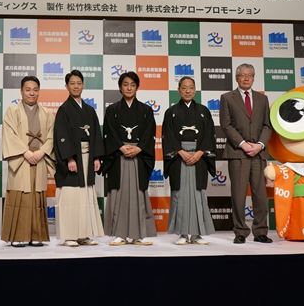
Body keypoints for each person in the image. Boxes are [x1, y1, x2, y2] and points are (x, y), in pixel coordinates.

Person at [219, 63, 272, 244]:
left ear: (254, 78)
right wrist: (242, 144)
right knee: (238, 195)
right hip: (238, 153)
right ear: (237, 78)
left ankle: (261, 231)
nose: (246, 78)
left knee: (260, 196)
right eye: (242, 75)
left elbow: (267, 125)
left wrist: (260, 145)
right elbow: (226, 125)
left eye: (250, 75)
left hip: (258, 153)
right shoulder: (227, 98)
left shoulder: (262, 99)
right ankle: (240, 231)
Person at [102, 71, 157, 245]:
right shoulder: (112, 110)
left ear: (137, 87)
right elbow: (108, 132)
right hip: (119, 156)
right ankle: (119, 233)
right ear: (120, 87)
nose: (129, 88)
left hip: (138, 157)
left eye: (132, 85)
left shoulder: (146, 110)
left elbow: (149, 133)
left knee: (138, 194)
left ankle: (138, 234)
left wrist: (139, 148)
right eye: (125, 84)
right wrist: (120, 146)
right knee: (119, 194)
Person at [1, 76, 54, 247]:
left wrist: (41, 152)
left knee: (37, 196)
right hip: (21, 159)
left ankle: (37, 235)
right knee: (20, 196)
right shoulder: (12, 111)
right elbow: (9, 134)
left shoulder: (47, 113)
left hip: (39, 158)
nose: (32, 93)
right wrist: (25, 152)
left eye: (35, 89)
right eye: (28, 89)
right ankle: (18, 235)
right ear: (21, 91)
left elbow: (52, 136)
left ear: (39, 91)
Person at [162, 76, 216, 245]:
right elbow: (167, 135)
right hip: (179, 158)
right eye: (184, 88)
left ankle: (198, 234)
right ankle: (183, 233)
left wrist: (199, 152)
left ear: (195, 90)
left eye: (191, 88)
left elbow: (209, 135)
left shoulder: (203, 111)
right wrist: (179, 151)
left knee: (198, 195)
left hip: (199, 157)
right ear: (179, 90)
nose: (187, 91)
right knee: (180, 195)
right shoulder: (171, 112)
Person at [53, 70, 105, 247]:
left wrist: (96, 157)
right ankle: (69, 235)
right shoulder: (64, 110)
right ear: (66, 86)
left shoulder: (89, 110)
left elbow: (96, 134)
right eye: (72, 83)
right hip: (74, 158)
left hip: (88, 157)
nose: (76, 86)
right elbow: (61, 136)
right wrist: (69, 158)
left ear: (83, 85)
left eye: (79, 83)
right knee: (71, 197)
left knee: (85, 196)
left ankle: (84, 234)